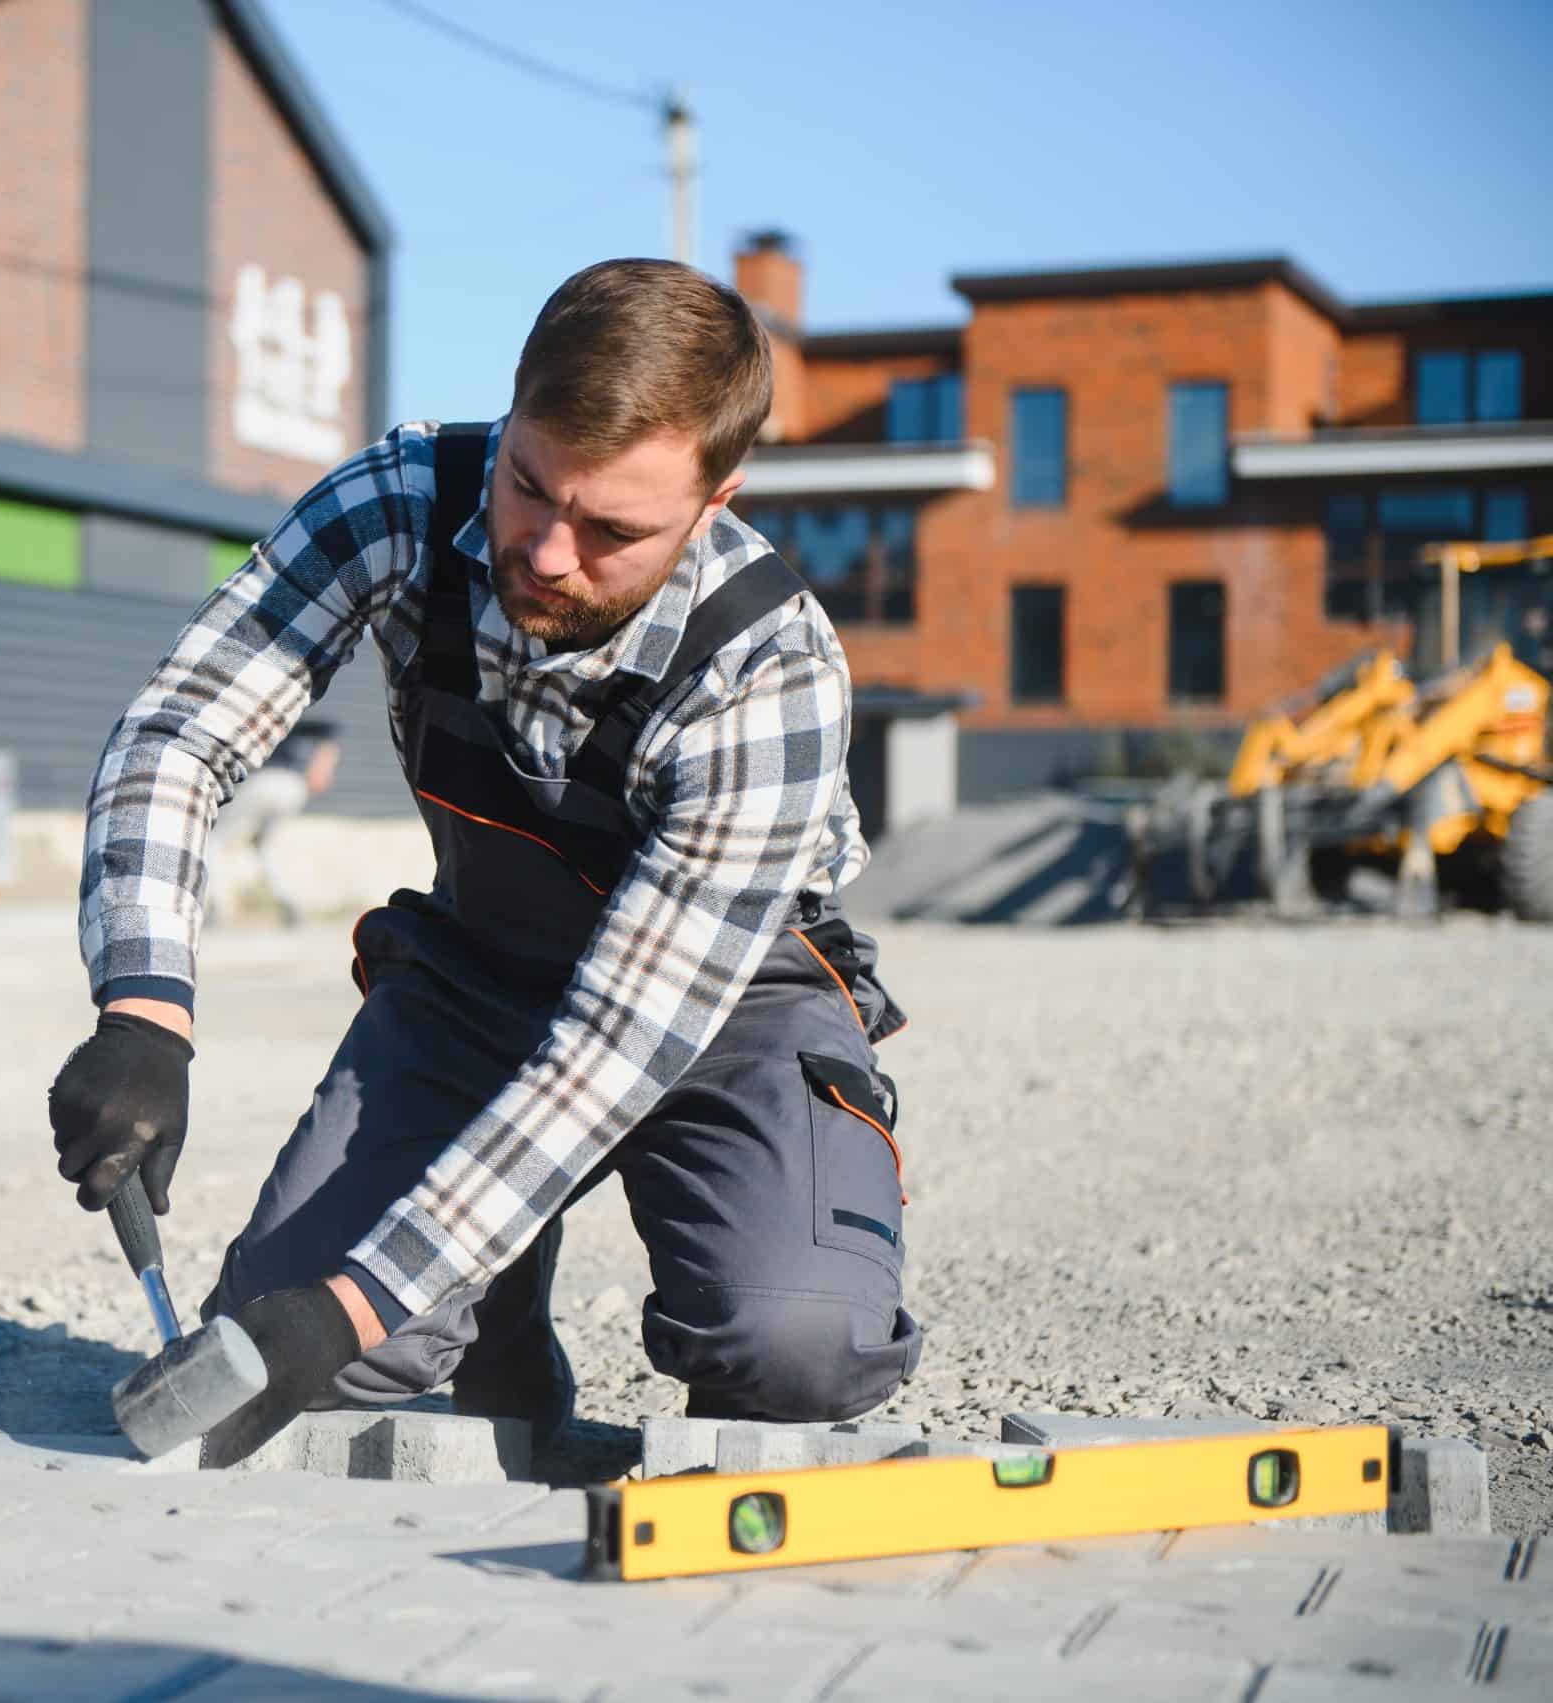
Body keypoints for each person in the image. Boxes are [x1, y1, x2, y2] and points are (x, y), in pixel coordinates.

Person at [48, 260, 917, 1465]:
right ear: (509, 421)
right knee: (324, 1362)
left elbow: (609, 1054)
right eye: (528, 486)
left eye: (611, 529)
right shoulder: (405, 497)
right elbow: (182, 729)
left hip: (728, 1006)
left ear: (714, 501)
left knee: (795, 1348)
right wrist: (143, 1011)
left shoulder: (766, 670)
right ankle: (493, 1301)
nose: (548, 553)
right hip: (482, 975)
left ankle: (522, 1260)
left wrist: (341, 1310)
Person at [203, 718, 341, 928]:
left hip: (266, 781)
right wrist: (322, 767)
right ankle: (288, 903)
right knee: (262, 848)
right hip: (295, 788)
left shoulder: (265, 723)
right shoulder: (312, 726)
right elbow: (329, 740)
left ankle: (217, 907)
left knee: (214, 840)